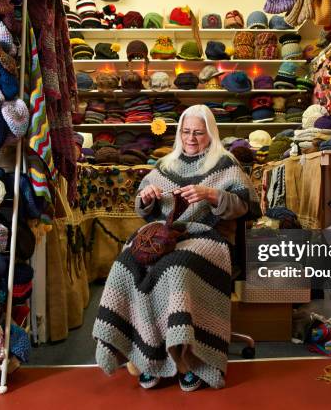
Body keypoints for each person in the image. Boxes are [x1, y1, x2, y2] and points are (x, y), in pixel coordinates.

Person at [92, 104, 260, 391]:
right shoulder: (165, 164)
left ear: (211, 133)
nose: (191, 138)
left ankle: (188, 359)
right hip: (161, 236)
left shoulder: (225, 163)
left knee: (176, 267)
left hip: (208, 236)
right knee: (126, 263)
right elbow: (143, 209)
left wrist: (212, 194)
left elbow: (247, 206)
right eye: (185, 132)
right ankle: (148, 354)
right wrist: (146, 197)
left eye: (198, 132)